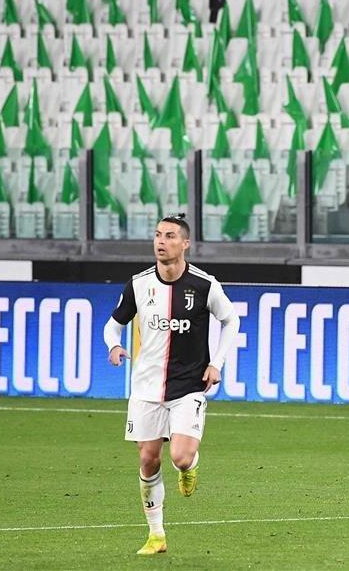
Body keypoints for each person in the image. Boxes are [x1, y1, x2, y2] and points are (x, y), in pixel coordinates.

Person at [103, 214, 240, 555]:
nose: (160, 241)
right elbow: (113, 325)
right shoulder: (138, 284)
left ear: (185, 244)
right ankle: (156, 535)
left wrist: (216, 363)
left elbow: (231, 320)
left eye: (169, 236)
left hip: (188, 386)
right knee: (149, 459)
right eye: (157, 235)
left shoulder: (205, 285)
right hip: (146, 388)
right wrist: (114, 345)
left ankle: (189, 468)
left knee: (179, 456)